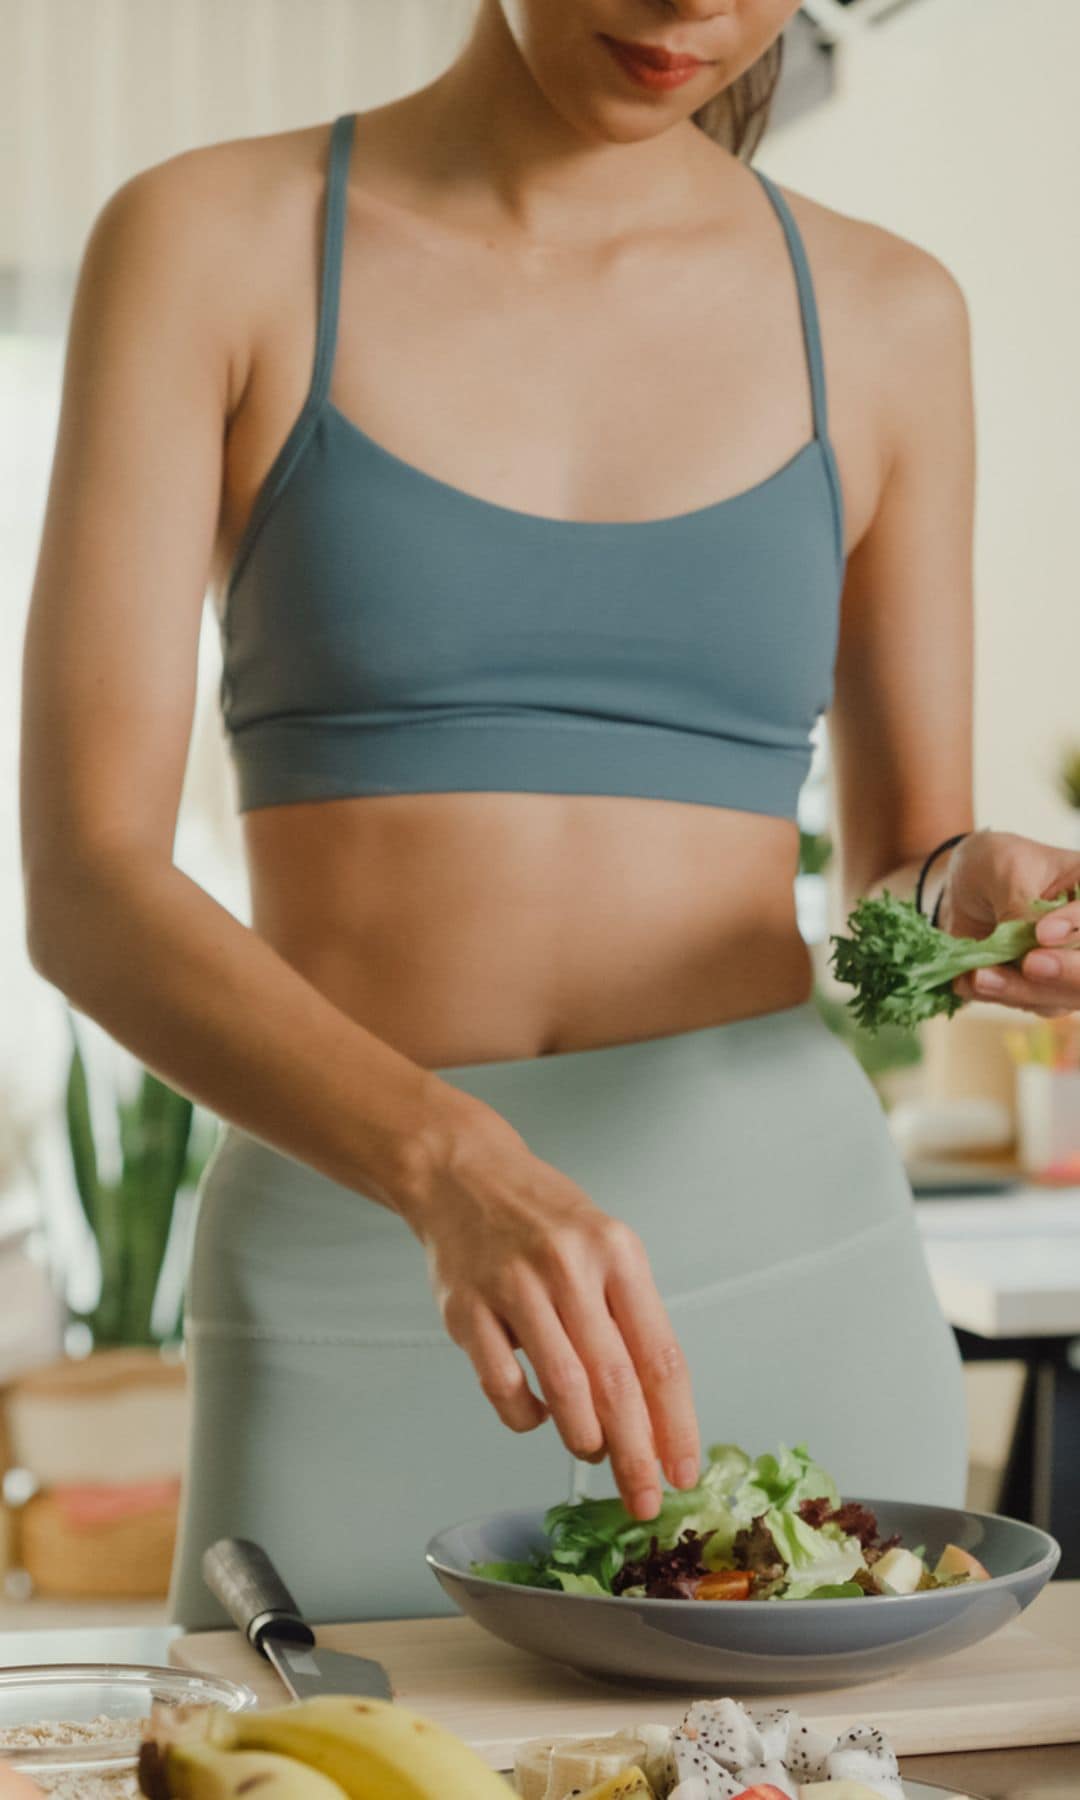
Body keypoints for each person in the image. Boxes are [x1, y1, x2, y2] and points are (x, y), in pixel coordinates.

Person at [20, 0, 1080, 1629]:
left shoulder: (884, 313)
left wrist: (960, 895)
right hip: (366, 1258)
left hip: (787, 1265)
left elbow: (892, 873)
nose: (689, 8)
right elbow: (87, 883)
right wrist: (448, 1164)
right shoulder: (211, 242)